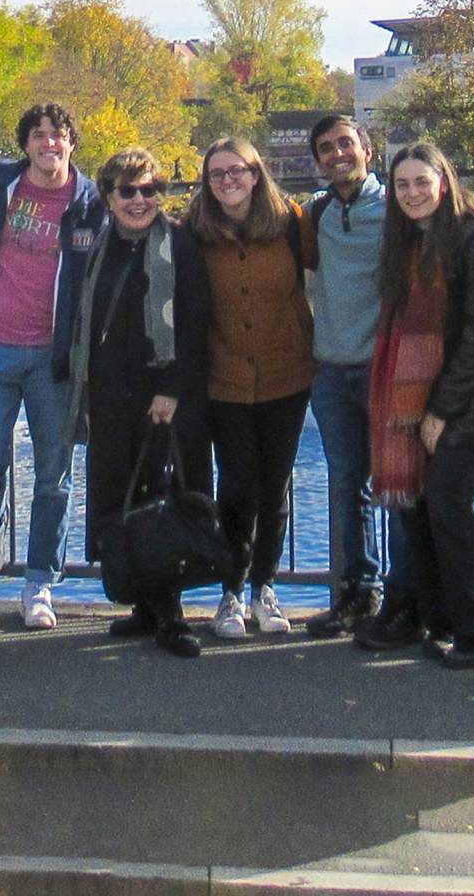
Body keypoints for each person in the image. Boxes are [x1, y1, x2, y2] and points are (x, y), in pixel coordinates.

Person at [0, 104, 106, 630]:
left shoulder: (91, 203)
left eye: (58, 136)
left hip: (54, 359)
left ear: (72, 144)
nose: (49, 144)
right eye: (39, 136)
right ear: (25, 145)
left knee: (53, 478)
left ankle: (40, 580)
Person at [363, 143, 474, 668]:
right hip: (425, 404)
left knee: (450, 508)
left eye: (421, 182)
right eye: (401, 185)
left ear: (444, 182)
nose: (412, 194)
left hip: (468, 402)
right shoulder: (409, 244)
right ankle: (445, 621)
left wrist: (439, 410)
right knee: (423, 512)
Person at [66, 148, 211, 658]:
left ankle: (172, 613)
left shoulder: (180, 245)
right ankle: (140, 604)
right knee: (116, 499)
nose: (140, 200)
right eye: (128, 190)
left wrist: (172, 388)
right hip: (108, 397)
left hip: (159, 398)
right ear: (108, 195)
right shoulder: (98, 247)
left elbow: (193, 324)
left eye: (150, 190)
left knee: (160, 502)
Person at [184, 137, 315, 639]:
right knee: (236, 484)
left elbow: (344, 268)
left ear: (257, 175)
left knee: (275, 484)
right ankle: (231, 591)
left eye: (237, 171)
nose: (228, 181)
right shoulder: (193, 233)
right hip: (224, 379)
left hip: (286, 374)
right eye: (217, 174)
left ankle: (265, 587)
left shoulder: (290, 224)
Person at [302, 115, 391, 638]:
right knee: (346, 485)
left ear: (366, 151)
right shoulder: (317, 213)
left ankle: (407, 596)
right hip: (332, 371)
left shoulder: (398, 207)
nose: (337, 154)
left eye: (345, 144)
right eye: (326, 149)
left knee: (399, 487)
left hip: (384, 370)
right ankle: (353, 592)